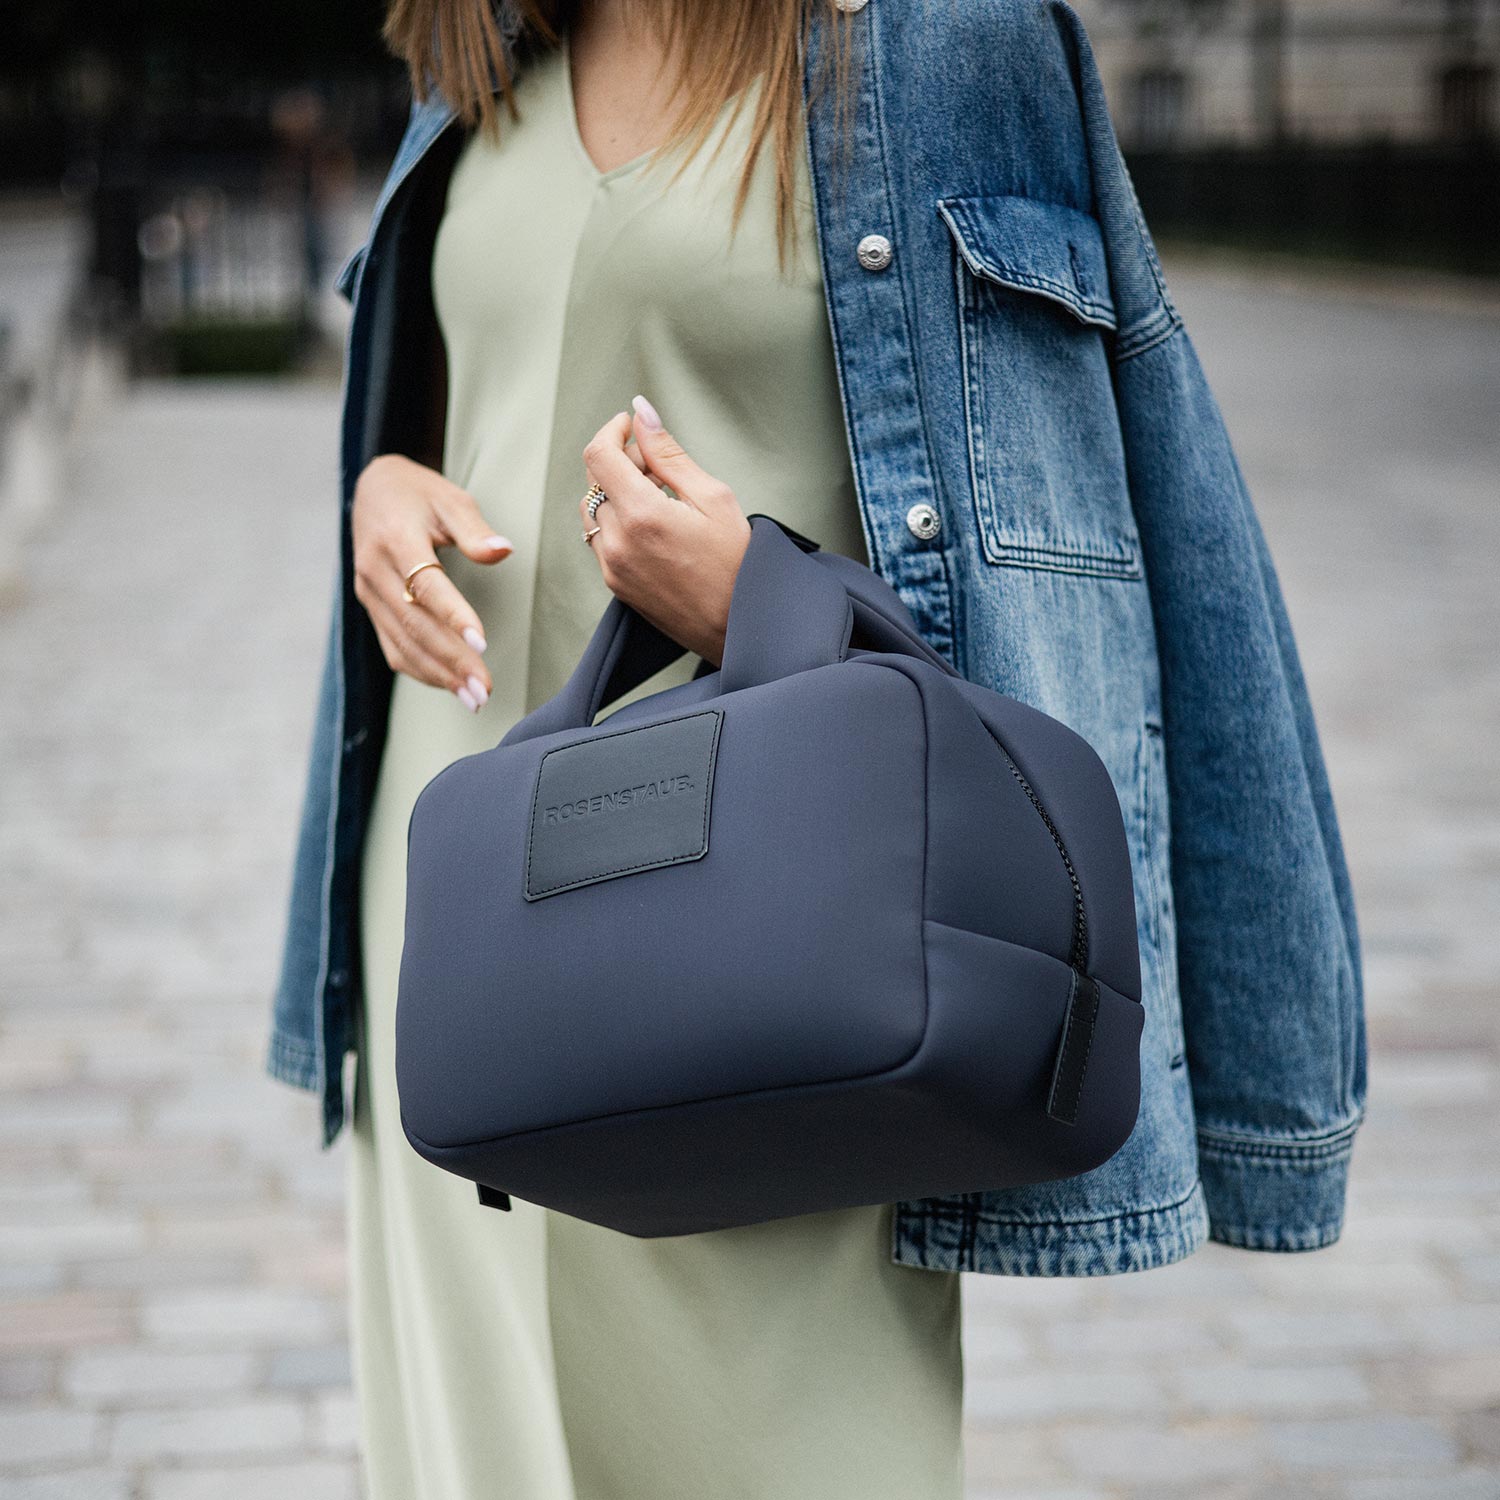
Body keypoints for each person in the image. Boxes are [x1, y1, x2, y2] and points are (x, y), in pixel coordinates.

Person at [266, 1, 1368, 1495]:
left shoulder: (944, 42)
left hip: (770, 920)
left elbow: (1084, 529)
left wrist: (762, 596)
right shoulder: (484, 41)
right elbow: (482, 389)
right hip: (466, 914)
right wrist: (387, 487)